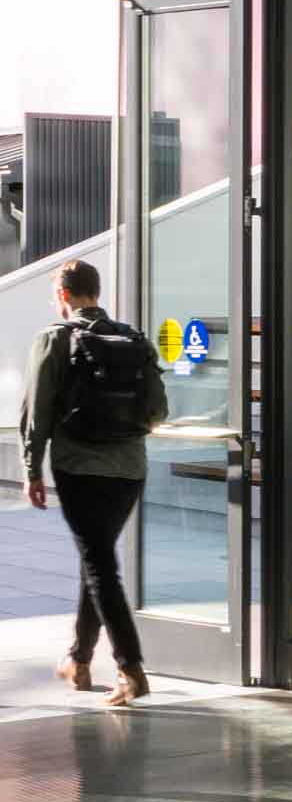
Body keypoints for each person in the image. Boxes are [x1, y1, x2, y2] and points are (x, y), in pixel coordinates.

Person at [18, 257, 168, 709]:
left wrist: (31, 470)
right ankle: (79, 660)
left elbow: (37, 413)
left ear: (63, 295)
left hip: (79, 469)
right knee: (97, 558)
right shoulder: (133, 339)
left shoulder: (55, 339)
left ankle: (130, 669)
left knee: (101, 566)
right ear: (96, 292)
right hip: (129, 470)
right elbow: (158, 411)